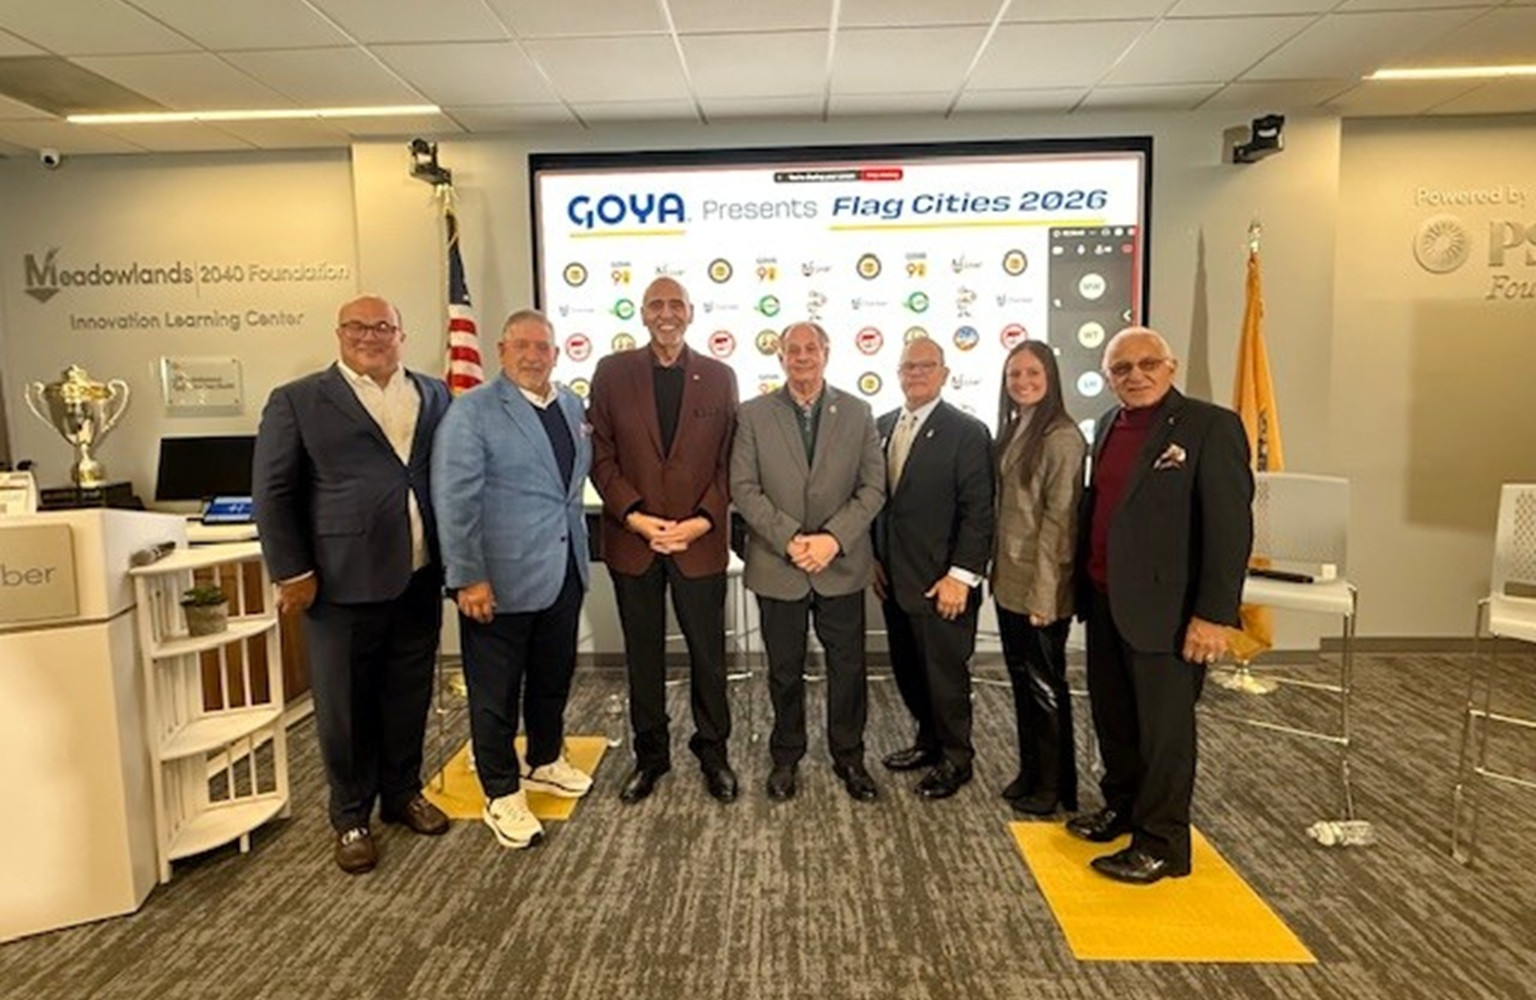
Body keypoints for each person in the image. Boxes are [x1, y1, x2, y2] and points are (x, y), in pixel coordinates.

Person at [253, 294, 451, 875]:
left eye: (383, 327)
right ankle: (350, 816)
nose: (371, 336)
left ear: (401, 334)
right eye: (358, 327)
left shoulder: (435, 393)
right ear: (339, 333)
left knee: (409, 692)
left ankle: (402, 792)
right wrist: (291, 571)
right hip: (339, 581)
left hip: (418, 572)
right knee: (344, 705)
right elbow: (273, 493)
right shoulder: (297, 400)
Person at [1068, 326, 1253, 884]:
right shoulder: (1108, 423)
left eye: (1148, 363)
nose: (1136, 375)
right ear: (1108, 378)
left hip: (1169, 613)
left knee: (1164, 734)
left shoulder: (1210, 426)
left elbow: (1229, 529)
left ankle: (1162, 843)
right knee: (1115, 719)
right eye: (1121, 368)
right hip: (1107, 600)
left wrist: (1213, 615)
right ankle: (1123, 808)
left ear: (1170, 367)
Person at [432, 309, 594, 850]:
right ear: (501, 352)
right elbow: (454, 499)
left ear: (556, 354)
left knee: (552, 677)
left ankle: (544, 759)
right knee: (495, 692)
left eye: (542, 346)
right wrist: (468, 577)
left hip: (562, 571)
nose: (532, 355)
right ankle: (501, 792)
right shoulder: (472, 411)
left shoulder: (571, 405)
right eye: (520, 345)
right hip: (496, 580)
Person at [589, 277, 740, 805]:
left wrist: (702, 520)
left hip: (699, 541)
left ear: (691, 313)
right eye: (657, 304)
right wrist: (634, 516)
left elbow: (730, 461)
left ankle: (713, 752)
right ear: (642, 313)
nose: (667, 313)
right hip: (635, 541)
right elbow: (600, 454)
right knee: (643, 657)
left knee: (709, 656)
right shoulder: (612, 372)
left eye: (676, 304)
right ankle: (651, 756)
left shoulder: (719, 376)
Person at [730, 321, 886, 802]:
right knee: (783, 669)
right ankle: (786, 755)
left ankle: (849, 756)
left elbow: (873, 487)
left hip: (840, 564)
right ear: (780, 357)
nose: (802, 357)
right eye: (792, 350)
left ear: (826, 353)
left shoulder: (858, 412)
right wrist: (791, 539)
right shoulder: (753, 414)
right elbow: (743, 488)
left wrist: (832, 540)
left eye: (810, 348)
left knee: (848, 668)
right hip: (779, 563)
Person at [872, 338, 994, 799]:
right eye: (909, 366)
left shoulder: (967, 431)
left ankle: (957, 758)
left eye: (927, 365)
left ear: (945, 373)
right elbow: (880, 503)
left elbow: (979, 510)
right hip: (894, 578)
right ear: (898, 374)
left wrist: (961, 576)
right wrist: (874, 560)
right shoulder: (883, 425)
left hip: (943, 582)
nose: (917, 373)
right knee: (911, 672)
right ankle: (928, 742)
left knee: (946, 678)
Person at [991, 340, 1088, 817]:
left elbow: (1059, 522)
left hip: (1041, 587)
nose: (1022, 382)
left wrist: (1045, 595)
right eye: (1014, 374)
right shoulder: (1016, 427)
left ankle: (1054, 786)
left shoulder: (1062, 436)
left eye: (1032, 373)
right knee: (1024, 680)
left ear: (1050, 378)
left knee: (1046, 686)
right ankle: (1032, 771)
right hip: (1011, 579)